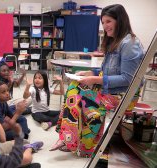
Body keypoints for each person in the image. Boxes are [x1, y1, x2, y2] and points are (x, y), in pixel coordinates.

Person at [51, 4, 144, 157]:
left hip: (123, 95)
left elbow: (128, 79)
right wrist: (90, 73)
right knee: (75, 86)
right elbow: (108, 71)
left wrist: (95, 79)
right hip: (112, 90)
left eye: (108, 21)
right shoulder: (115, 41)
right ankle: (69, 138)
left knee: (77, 94)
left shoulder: (130, 44)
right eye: (103, 22)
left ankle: (69, 138)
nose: (105, 26)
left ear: (119, 20)